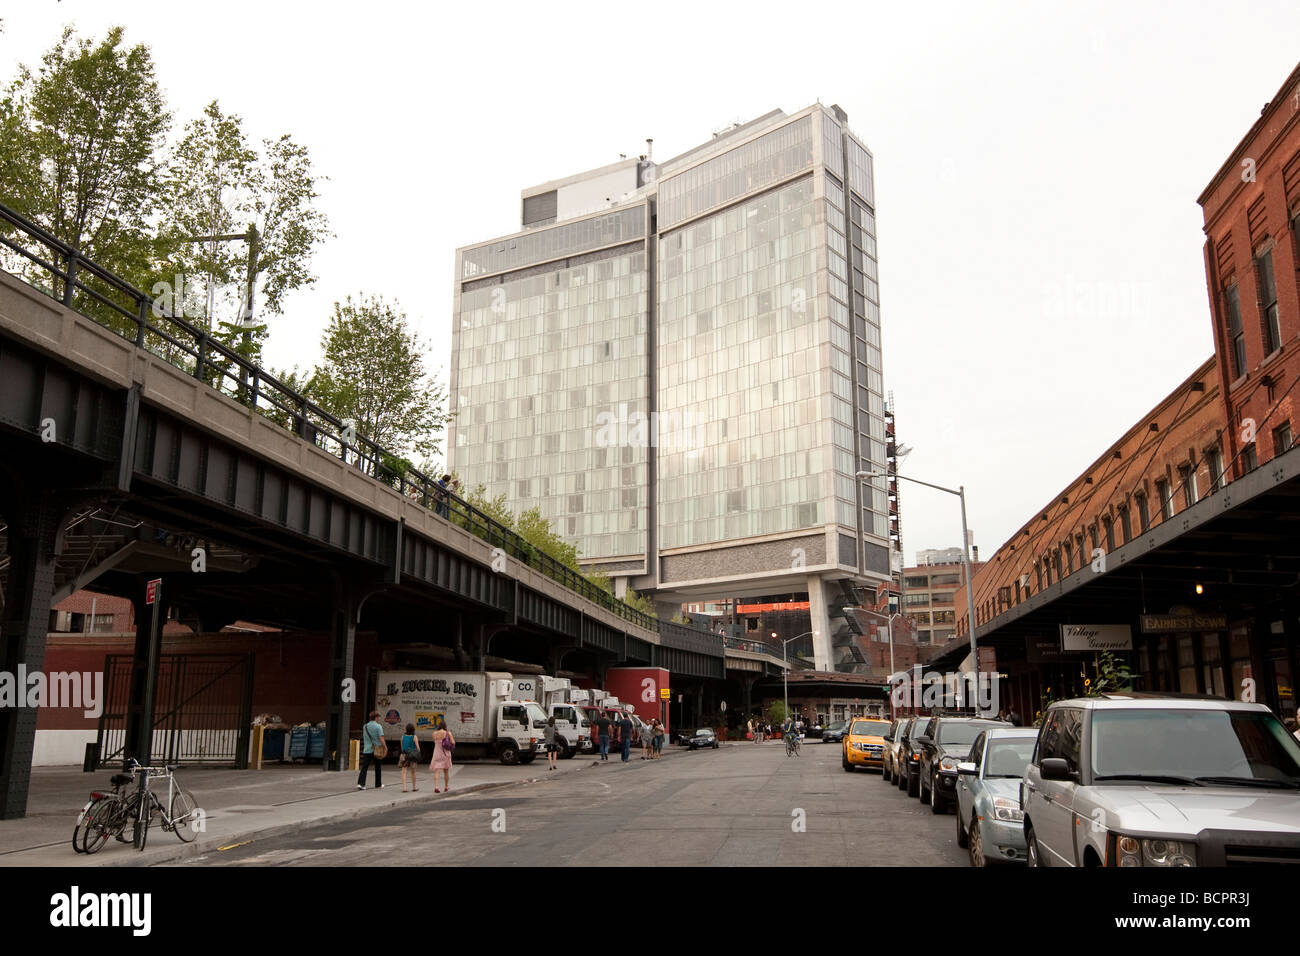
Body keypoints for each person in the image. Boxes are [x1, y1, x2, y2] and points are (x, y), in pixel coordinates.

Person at [357, 710, 384, 790]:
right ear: (376, 717)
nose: (379, 718)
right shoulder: (378, 726)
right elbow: (381, 738)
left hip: (367, 750)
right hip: (376, 750)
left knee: (364, 767)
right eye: (378, 717)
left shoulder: (365, 726)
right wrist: (385, 747)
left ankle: (361, 784)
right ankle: (378, 784)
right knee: (378, 767)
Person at [430, 716, 454, 792]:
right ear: (445, 726)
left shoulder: (434, 734)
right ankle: (446, 787)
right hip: (445, 754)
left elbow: (435, 743)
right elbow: (453, 742)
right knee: (446, 771)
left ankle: (436, 787)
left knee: (437, 771)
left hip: (437, 753)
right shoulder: (448, 733)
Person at [399, 722, 421, 792]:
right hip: (412, 756)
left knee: (404, 772)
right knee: (413, 772)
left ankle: (404, 788)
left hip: (404, 755)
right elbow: (418, 748)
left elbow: (402, 747)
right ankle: (414, 787)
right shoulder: (414, 737)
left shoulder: (402, 737)